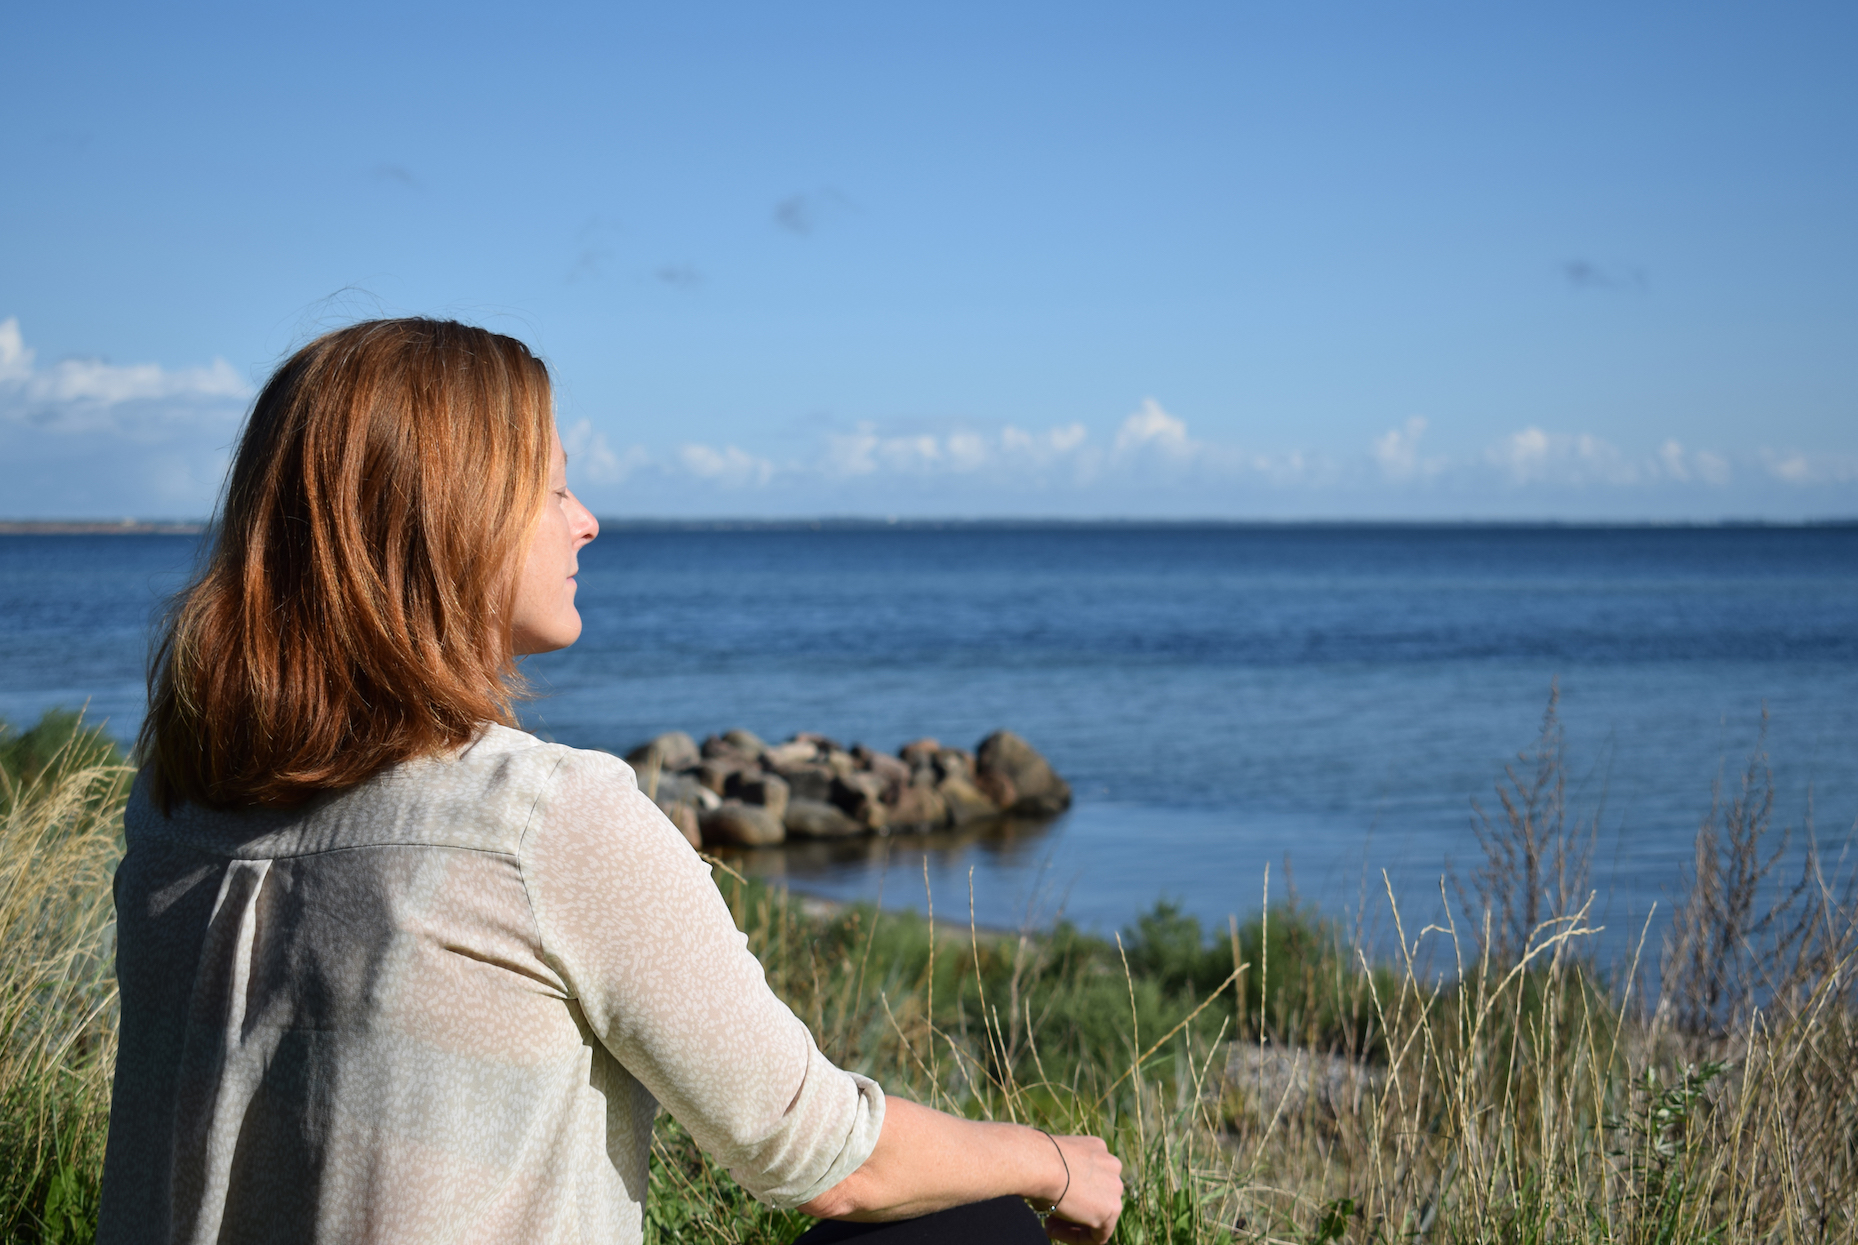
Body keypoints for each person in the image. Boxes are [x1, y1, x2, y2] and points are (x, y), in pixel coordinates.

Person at [98, 319, 1123, 1245]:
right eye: (549, 487)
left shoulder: (174, 807)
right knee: (968, 1226)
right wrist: (1054, 1160)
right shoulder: (538, 819)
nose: (586, 521)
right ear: (449, 519)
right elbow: (825, 1156)